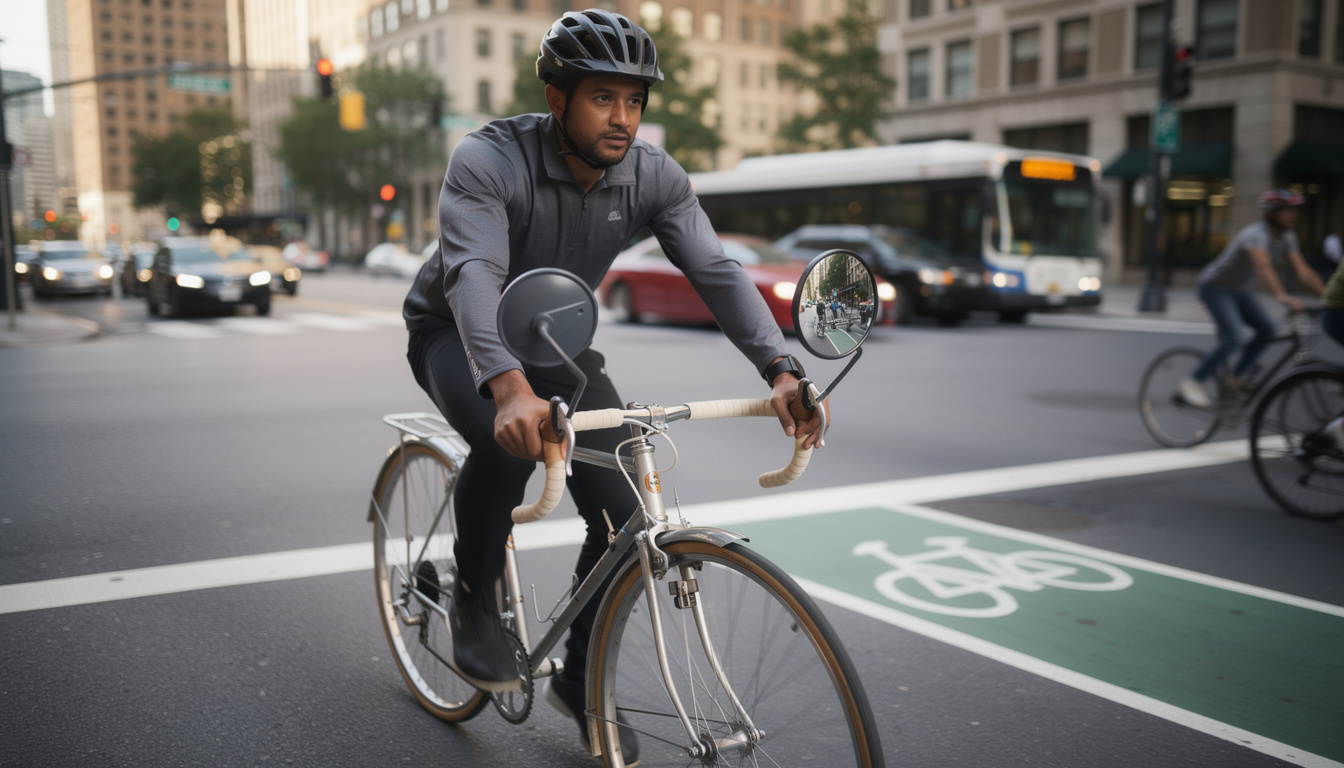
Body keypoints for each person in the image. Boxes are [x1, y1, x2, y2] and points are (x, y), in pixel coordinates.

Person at [401, 9, 823, 762]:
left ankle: (579, 670)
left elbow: (717, 272)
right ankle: (472, 601)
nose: (623, 118)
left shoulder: (651, 173)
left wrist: (782, 369)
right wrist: (506, 388)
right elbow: (473, 275)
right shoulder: (488, 159)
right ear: (557, 97)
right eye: (603, 97)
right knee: (510, 447)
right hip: (457, 335)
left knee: (623, 508)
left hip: (558, 344)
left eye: (635, 100)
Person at [1179, 189, 1323, 408]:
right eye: (1288, 210)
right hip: (1214, 287)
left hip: (1239, 290)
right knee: (1235, 337)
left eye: (1295, 209)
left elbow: (1303, 272)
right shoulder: (1255, 235)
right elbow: (1263, 267)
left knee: (1268, 329)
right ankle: (1193, 382)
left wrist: (1329, 297)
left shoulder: (1287, 237)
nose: (1294, 214)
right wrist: (1282, 296)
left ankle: (1235, 378)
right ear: (1272, 213)